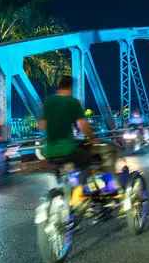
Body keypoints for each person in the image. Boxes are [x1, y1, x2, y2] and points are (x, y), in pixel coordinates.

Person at [39, 75, 121, 207]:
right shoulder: (73, 102)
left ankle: (64, 193)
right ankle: (79, 192)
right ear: (70, 87)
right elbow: (83, 126)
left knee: (61, 168)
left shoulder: (48, 101)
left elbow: (42, 126)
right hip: (67, 149)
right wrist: (92, 139)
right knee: (86, 163)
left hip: (49, 150)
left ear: (58, 86)